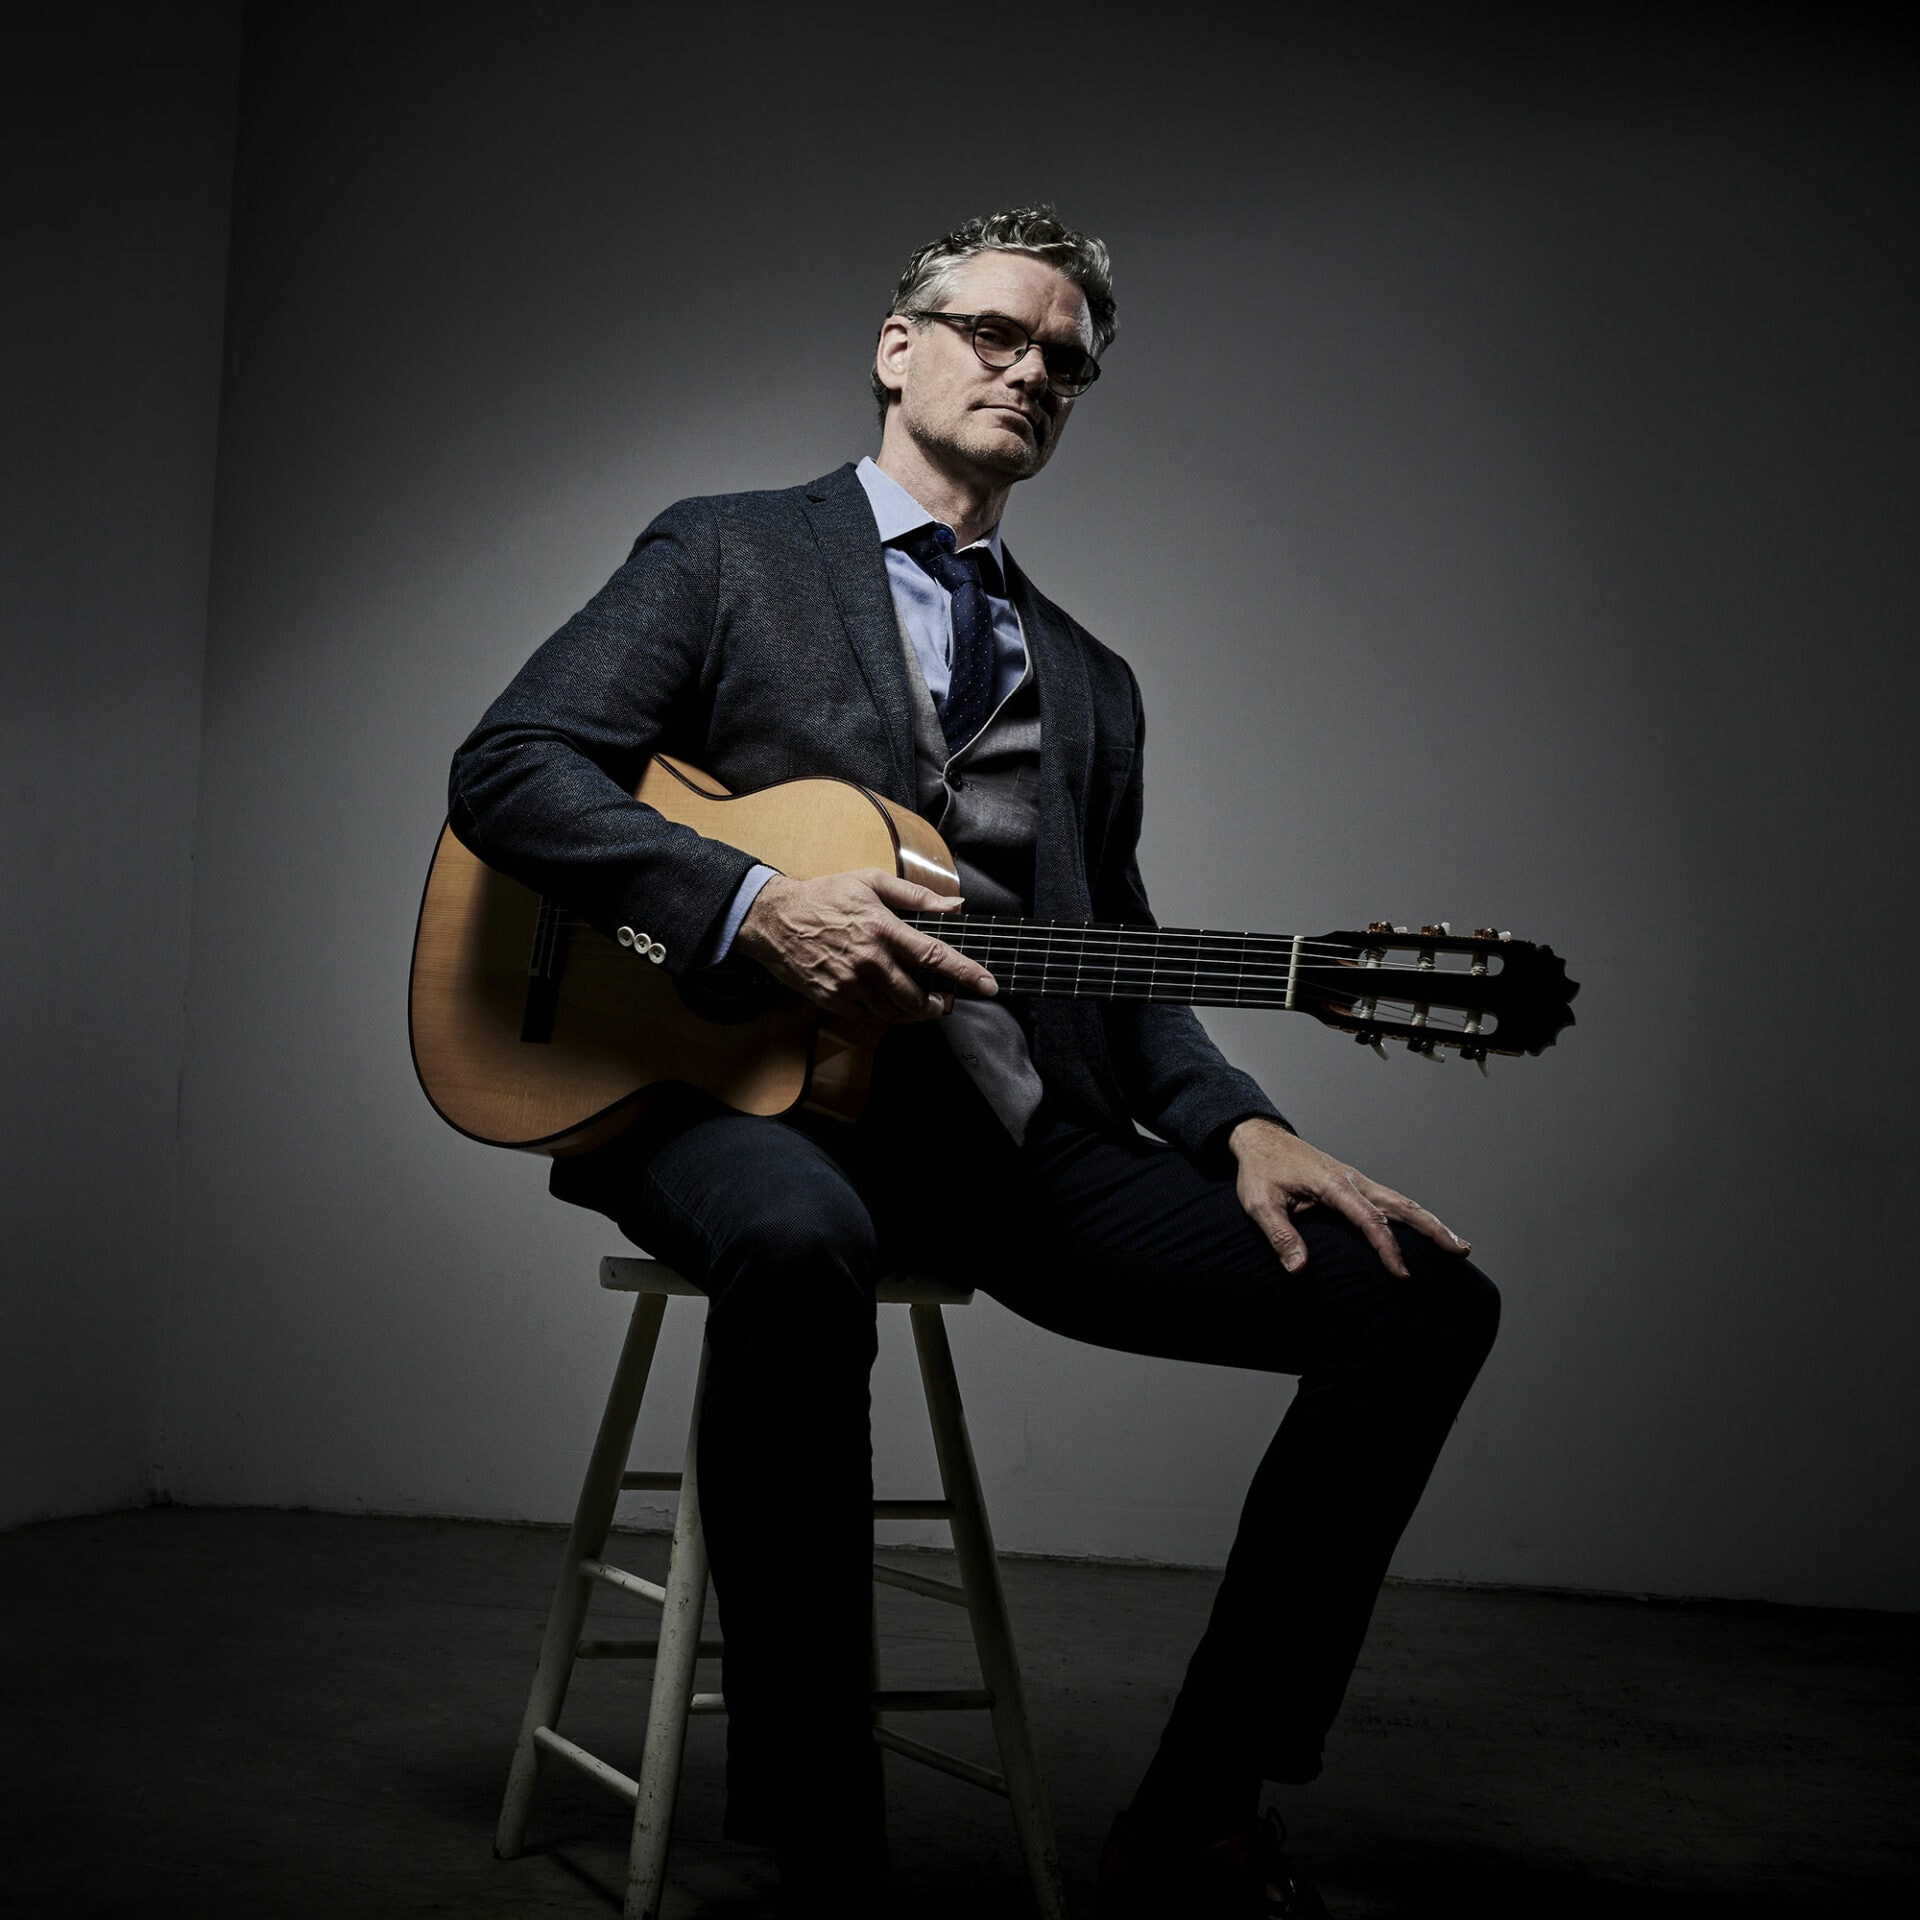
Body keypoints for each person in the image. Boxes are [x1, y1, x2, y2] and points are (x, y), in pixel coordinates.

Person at [450, 205, 1499, 1919]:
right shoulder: (728, 552)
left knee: (1425, 1305)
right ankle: (822, 1845)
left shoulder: (1095, 683)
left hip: (1001, 1141)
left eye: (1065, 362)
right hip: (719, 1097)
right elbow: (512, 770)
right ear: (900, 348)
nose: (1032, 373)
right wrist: (754, 906)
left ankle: (1200, 1811)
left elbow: (1122, 954)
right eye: (999, 335)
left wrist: (1239, 1122)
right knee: (800, 1239)